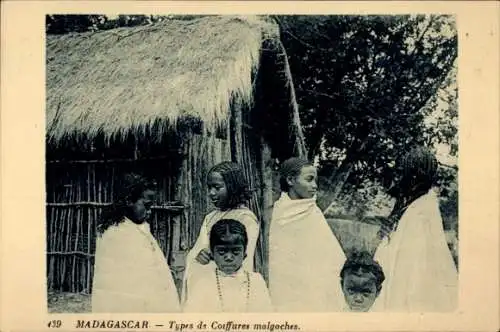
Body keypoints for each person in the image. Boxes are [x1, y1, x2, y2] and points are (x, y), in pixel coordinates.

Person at [374, 146, 458, 312]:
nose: (399, 179)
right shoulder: (411, 204)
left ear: (415, 176)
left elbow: (415, 264)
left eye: (402, 173)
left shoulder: (423, 209)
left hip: (409, 283)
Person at [91, 173, 180, 312]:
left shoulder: (138, 227)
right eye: (146, 205)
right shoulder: (116, 233)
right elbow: (127, 284)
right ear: (128, 201)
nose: (150, 211)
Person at [268, 157, 346, 312]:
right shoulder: (274, 213)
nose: (315, 186)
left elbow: (332, 258)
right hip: (281, 287)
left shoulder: (313, 213)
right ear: (290, 180)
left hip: (311, 289)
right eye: (309, 180)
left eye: (315, 180)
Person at [181, 162, 259, 305]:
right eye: (209, 188)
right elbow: (197, 252)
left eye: (217, 187)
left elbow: (242, 260)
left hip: (228, 288)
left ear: (233, 187)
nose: (211, 193)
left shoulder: (245, 219)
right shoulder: (210, 218)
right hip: (206, 285)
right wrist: (198, 257)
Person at [183, 219, 273, 312]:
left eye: (236, 251)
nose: (229, 257)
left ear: (244, 254)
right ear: (212, 254)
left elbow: (266, 315)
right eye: (222, 251)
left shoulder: (256, 281)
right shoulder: (204, 283)